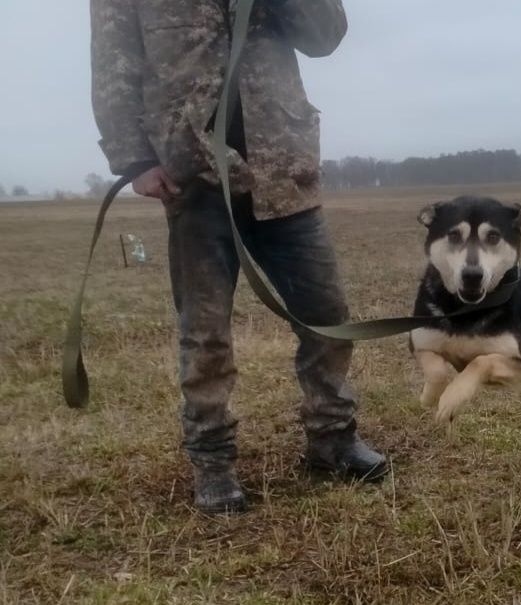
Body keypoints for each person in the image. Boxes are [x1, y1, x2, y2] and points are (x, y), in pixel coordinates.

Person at [91, 0, 388, 514]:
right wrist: (134, 158)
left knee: (327, 317)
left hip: (283, 170)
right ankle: (212, 462)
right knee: (204, 334)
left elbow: (325, 35)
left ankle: (332, 440)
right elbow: (114, 60)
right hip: (193, 174)